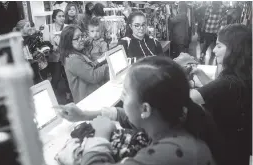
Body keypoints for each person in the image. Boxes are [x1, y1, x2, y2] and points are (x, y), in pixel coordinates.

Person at [55, 56, 225, 165]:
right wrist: (84, 115)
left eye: (126, 93)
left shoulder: (166, 155)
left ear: (145, 108)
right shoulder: (174, 121)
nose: (122, 98)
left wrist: (99, 137)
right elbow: (128, 117)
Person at [190, 24, 252, 165]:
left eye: (219, 46)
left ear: (234, 49)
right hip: (238, 145)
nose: (214, 51)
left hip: (226, 150)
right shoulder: (242, 75)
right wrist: (199, 73)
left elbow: (191, 98)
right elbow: (214, 90)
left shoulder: (229, 82)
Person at [59, 25, 109, 103]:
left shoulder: (77, 53)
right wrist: (108, 66)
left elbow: (89, 66)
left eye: (82, 36)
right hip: (87, 101)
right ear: (68, 41)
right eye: (77, 38)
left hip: (92, 96)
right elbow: (93, 76)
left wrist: (104, 58)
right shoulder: (73, 59)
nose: (82, 39)